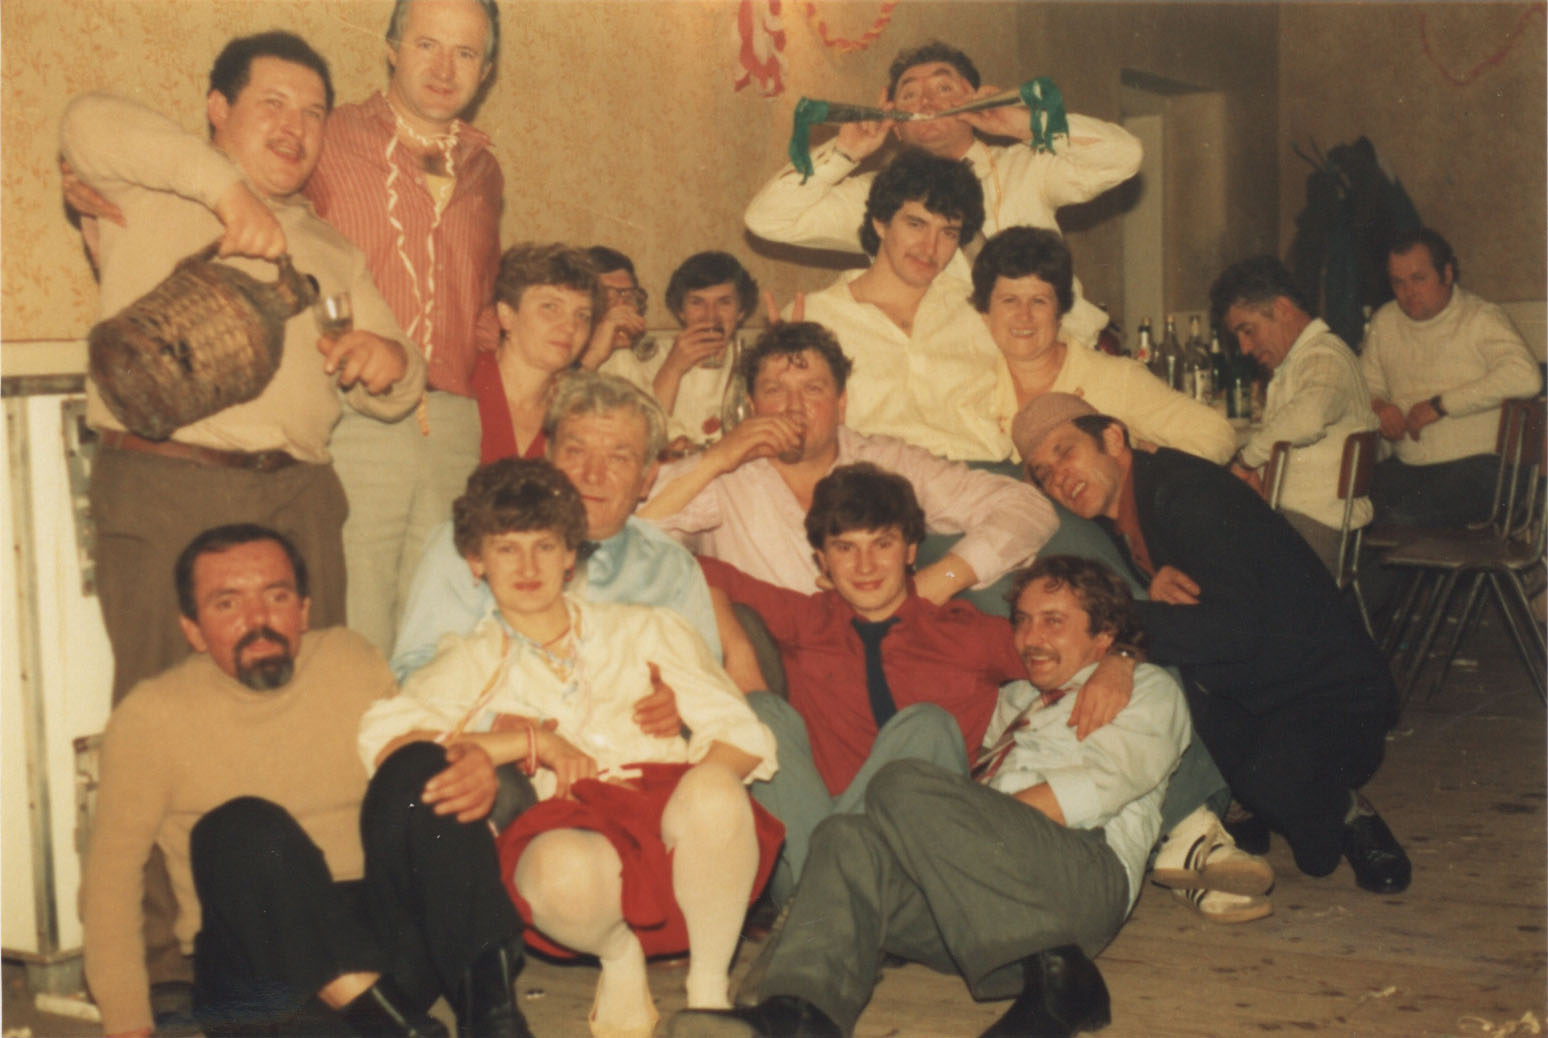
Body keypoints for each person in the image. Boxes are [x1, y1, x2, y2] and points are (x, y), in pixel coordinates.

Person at [59, 32, 425, 1013]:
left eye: (313, 113)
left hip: (297, 496)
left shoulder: (330, 245)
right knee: (158, 716)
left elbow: (398, 366)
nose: (296, 127)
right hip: (168, 480)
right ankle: (162, 968)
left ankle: (314, 940)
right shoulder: (158, 189)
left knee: (314, 713)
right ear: (218, 110)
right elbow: (87, 120)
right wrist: (227, 196)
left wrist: (389, 366)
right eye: (273, 102)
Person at [670, 556, 1192, 1038]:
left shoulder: (1146, 689)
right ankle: (799, 1013)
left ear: (1104, 635)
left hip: (1080, 878)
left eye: (1053, 621)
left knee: (901, 785)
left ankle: (1064, 984)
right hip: (975, 911)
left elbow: (1089, 793)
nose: (1031, 638)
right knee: (847, 836)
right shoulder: (1014, 700)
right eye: (1022, 620)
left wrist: (1125, 659)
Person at [358, 460, 781, 1038]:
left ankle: (709, 993)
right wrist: (529, 741)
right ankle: (619, 955)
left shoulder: (645, 629)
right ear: (476, 562)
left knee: (715, 789)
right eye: (506, 549)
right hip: (582, 843)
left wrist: (697, 790)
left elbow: (742, 731)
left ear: (569, 555)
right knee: (557, 869)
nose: (528, 567)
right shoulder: (469, 660)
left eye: (544, 546)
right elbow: (387, 740)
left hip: (676, 831)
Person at [81, 524, 529, 1038]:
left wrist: (467, 764)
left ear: (303, 610)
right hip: (260, 972)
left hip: (386, 952)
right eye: (227, 604)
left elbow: (416, 765)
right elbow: (110, 881)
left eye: (276, 596)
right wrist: (128, 1025)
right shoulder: (150, 715)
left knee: (424, 766)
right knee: (238, 826)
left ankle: (494, 1021)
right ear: (194, 630)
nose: (258, 620)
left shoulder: (347, 658)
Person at [1015, 393, 1412, 895]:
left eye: (1065, 452)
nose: (1059, 477)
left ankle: (1351, 811)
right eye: (1044, 473)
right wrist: (1148, 587)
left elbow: (1234, 630)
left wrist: (1123, 631)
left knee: (1297, 824)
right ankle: (1269, 801)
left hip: (1331, 692)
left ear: (1113, 438)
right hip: (1255, 691)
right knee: (1251, 791)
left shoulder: (1187, 493)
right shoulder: (1117, 506)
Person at [697, 463, 1147, 905]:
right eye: (845, 548)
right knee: (764, 713)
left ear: (911, 551)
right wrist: (739, 651)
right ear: (822, 560)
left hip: (909, 857)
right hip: (808, 832)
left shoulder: (968, 634)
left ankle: (821, 905)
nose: (865, 565)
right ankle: (829, 901)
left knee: (927, 725)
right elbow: (692, 568)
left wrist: (1121, 659)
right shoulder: (805, 619)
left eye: (882, 544)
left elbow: (1079, 645)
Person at [303, 0, 504, 656]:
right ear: (391, 48)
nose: (444, 69)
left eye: (465, 53)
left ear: (486, 70)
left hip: (451, 425)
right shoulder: (329, 137)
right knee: (355, 619)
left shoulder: (484, 169)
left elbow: (479, 304)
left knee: (441, 625)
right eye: (426, 45)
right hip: (355, 411)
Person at [744, 40, 1141, 349]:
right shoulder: (878, 199)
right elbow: (767, 220)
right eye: (910, 95)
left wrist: (1024, 125)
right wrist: (844, 153)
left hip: (1061, 357)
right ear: (896, 123)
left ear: (975, 101)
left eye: (943, 88)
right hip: (959, 383)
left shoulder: (1025, 168)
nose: (927, 102)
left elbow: (1124, 157)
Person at [639, 321, 1056, 607]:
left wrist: (934, 584)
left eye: (812, 389)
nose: (794, 407)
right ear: (752, 406)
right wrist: (716, 458)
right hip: (770, 672)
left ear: (841, 404)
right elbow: (628, 537)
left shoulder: (887, 462)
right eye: (775, 390)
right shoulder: (723, 475)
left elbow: (1027, 509)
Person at [392, 371, 722, 681]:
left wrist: (673, 701)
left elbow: (705, 686)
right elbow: (416, 674)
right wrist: (495, 715)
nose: (592, 476)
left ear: (647, 479)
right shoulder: (469, 543)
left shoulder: (672, 570)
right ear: (548, 457)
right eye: (576, 452)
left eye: (618, 459)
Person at [794, 149, 1009, 462]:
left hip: (981, 474)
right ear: (881, 223)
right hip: (871, 480)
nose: (930, 247)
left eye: (948, 233)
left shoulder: (981, 310)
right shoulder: (814, 318)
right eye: (916, 224)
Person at [973, 226, 1235, 464]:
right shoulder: (969, 380)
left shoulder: (1115, 378)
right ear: (985, 312)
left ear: (1059, 312)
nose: (1024, 315)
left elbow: (1216, 434)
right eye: (1009, 300)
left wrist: (1147, 469)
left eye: (1039, 301)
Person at [1360, 228, 1542, 527]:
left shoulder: (1480, 317)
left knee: (1405, 518)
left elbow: (1526, 376)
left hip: (1480, 465)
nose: (1408, 292)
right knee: (1351, 510)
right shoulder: (1385, 321)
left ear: (1446, 273)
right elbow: (1366, 385)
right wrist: (1379, 407)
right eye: (1398, 282)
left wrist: (1441, 405)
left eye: (1419, 279)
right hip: (1411, 466)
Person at [1209, 255, 1379, 574]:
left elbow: (1308, 418)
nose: (1244, 348)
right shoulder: (1302, 361)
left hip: (1315, 528)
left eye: (1248, 331)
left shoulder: (1325, 357)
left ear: (1283, 308)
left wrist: (1246, 461)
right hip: (1299, 520)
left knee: (1209, 559)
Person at [603, 251, 760, 449]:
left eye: (724, 302)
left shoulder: (752, 363)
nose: (710, 316)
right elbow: (641, 435)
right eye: (697, 302)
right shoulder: (644, 358)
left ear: (741, 311)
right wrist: (673, 368)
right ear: (680, 311)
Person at [471, 243, 603, 462]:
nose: (570, 327)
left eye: (582, 315)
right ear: (507, 315)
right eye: (550, 307)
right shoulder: (463, 385)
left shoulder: (574, 412)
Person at [576, 245, 650, 371]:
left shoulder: (645, 356)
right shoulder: (560, 352)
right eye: (607, 297)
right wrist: (594, 355)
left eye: (628, 296)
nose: (621, 307)